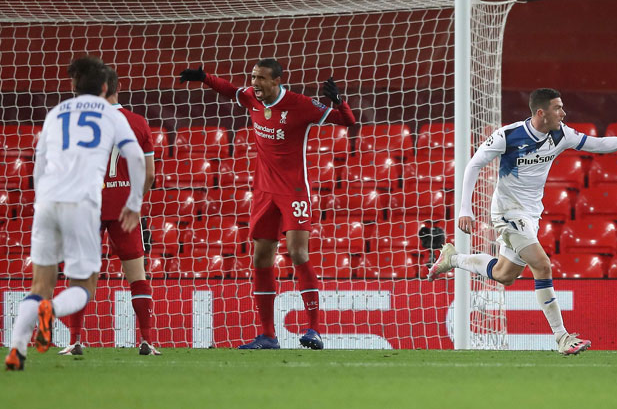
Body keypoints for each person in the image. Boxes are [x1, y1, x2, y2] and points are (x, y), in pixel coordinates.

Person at [426, 88, 617, 355]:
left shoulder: (562, 134)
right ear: (541, 112)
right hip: (507, 212)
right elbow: (474, 165)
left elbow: (599, 144)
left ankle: (453, 258)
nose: (563, 113)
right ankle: (562, 337)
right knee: (542, 264)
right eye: (558, 108)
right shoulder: (508, 135)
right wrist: (464, 210)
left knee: (505, 275)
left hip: (531, 213)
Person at [178, 60, 356, 350]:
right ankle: (267, 335)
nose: (255, 83)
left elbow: (346, 121)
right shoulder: (251, 96)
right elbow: (230, 90)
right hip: (263, 192)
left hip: (294, 190)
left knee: (298, 252)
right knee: (260, 259)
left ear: (277, 81)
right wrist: (204, 78)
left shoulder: (300, 104)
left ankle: (314, 329)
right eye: (253, 77)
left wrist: (339, 101)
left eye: (261, 78)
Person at [5, 56, 146, 371]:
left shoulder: (56, 113)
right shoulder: (110, 115)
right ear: (106, 87)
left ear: (72, 85)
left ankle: (16, 350)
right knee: (83, 287)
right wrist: (135, 201)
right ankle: (50, 311)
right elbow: (135, 156)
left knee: (39, 284)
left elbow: (39, 165)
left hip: (47, 203)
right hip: (81, 205)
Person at [59, 66, 159, 357]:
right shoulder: (138, 123)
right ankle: (147, 341)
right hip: (124, 208)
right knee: (137, 276)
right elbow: (149, 174)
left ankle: (75, 340)